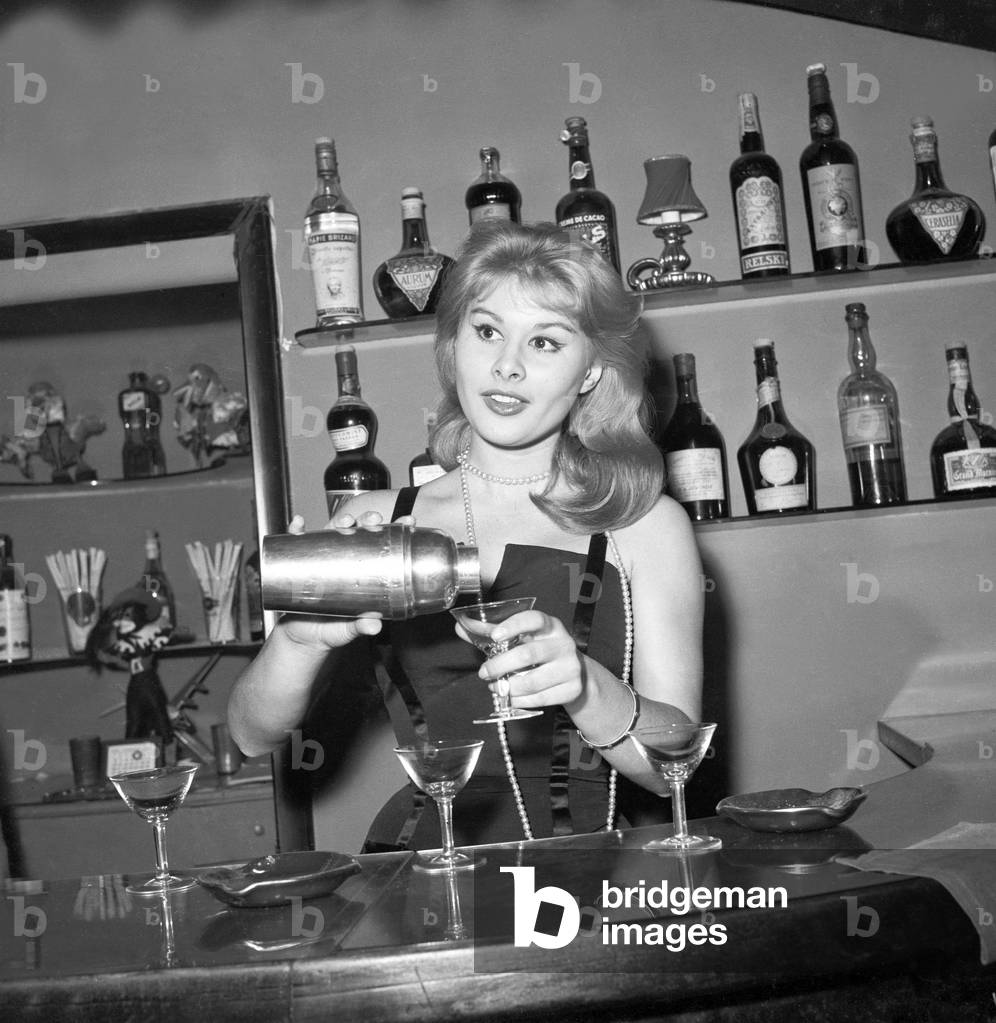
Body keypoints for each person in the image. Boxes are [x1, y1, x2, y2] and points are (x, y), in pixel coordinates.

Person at [228, 220, 704, 849]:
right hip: (420, 871)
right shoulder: (377, 517)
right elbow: (250, 734)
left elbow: (676, 768)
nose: (507, 366)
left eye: (545, 342)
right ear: (454, 345)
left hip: (585, 876)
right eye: (487, 331)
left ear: (591, 371)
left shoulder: (645, 524)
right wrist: (299, 639)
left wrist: (588, 687)